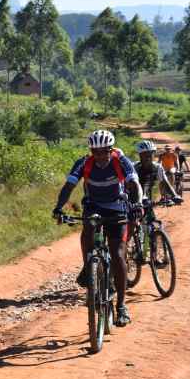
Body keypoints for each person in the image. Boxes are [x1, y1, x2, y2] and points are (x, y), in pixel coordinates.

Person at [52, 129, 143, 327]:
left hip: (117, 206)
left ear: (111, 150)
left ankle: (121, 306)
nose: (100, 156)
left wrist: (137, 206)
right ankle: (88, 266)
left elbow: (134, 184)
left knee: (118, 254)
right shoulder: (84, 163)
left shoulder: (121, 161)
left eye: (104, 151)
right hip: (93, 205)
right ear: (91, 151)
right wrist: (59, 208)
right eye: (96, 151)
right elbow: (69, 187)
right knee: (88, 230)